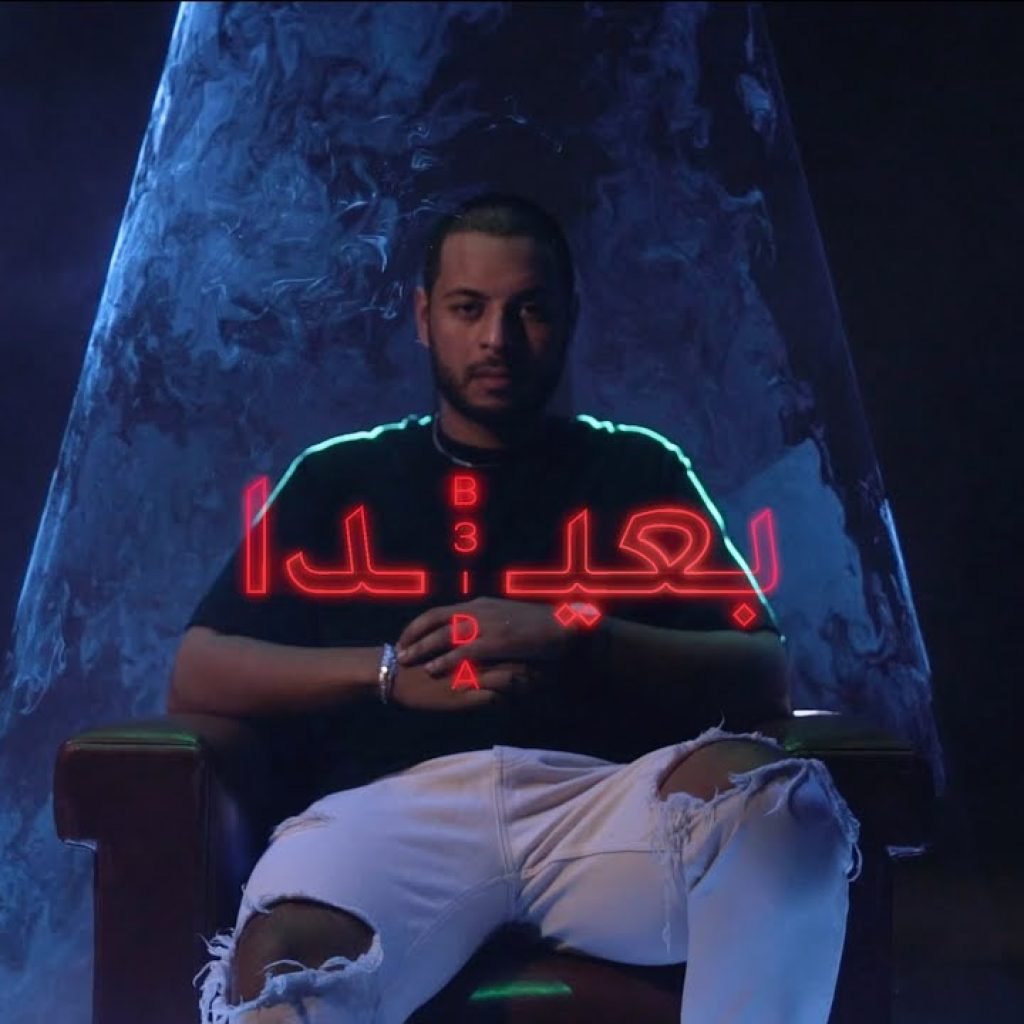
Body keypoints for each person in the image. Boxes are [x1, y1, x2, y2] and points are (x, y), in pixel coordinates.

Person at [170, 193, 861, 1024]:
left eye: (528, 309)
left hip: (596, 804)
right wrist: (386, 673)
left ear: (568, 318)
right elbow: (197, 669)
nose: (497, 338)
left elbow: (762, 672)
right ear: (424, 318)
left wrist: (574, 633)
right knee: (285, 968)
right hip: (389, 815)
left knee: (786, 806)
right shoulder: (337, 476)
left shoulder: (637, 468)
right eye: (469, 308)